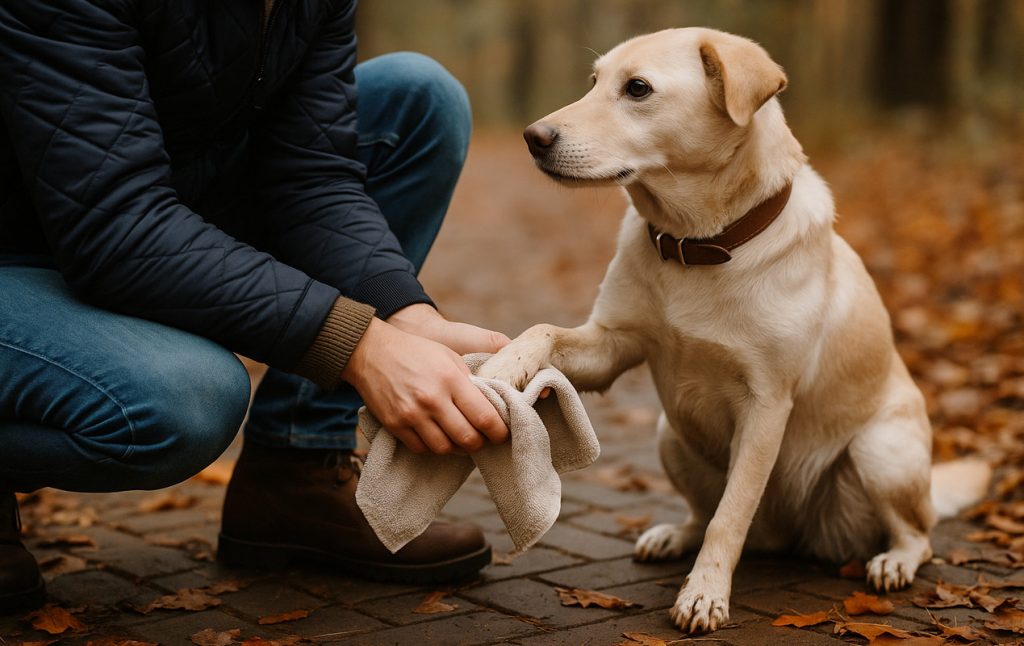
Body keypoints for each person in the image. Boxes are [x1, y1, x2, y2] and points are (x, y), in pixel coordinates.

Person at [0, 0, 512, 614]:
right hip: (26, 248)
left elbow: (313, 175)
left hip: (147, 203)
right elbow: (117, 224)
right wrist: (360, 347)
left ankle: (293, 473)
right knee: (183, 400)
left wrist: (405, 314)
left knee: (417, 98)